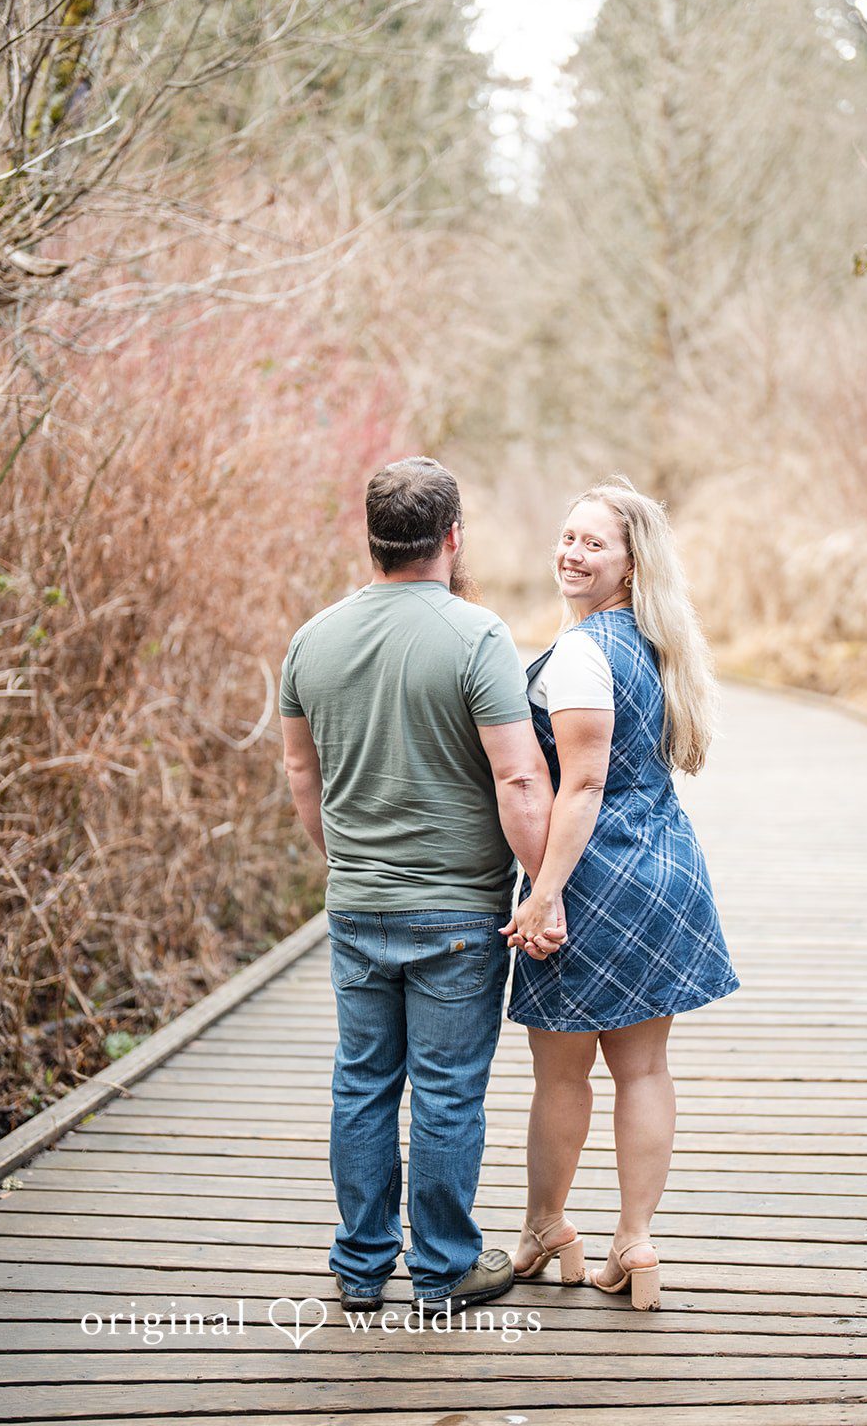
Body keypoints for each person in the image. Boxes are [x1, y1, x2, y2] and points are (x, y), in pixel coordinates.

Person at [279, 457, 553, 1318]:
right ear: (453, 538)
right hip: (459, 913)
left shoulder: (310, 639)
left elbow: (299, 770)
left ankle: (360, 1269)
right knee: (444, 1090)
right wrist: (544, 887)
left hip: (357, 906)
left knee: (361, 1082)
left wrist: (344, 860)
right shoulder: (476, 637)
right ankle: (441, 1271)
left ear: (370, 540)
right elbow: (518, 781)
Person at [500, 475, 740, 1311]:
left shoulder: (579, 653)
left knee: (562, 1076)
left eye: (593, 543)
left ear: (631, 564)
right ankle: (632, 1242)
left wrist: (542, 894)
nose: (571, 553)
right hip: (666, 869)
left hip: (594, 878)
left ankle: (543, 1228)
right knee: (643, 1070)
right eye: (568, 537)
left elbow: (583, 783)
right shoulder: (655, 645)